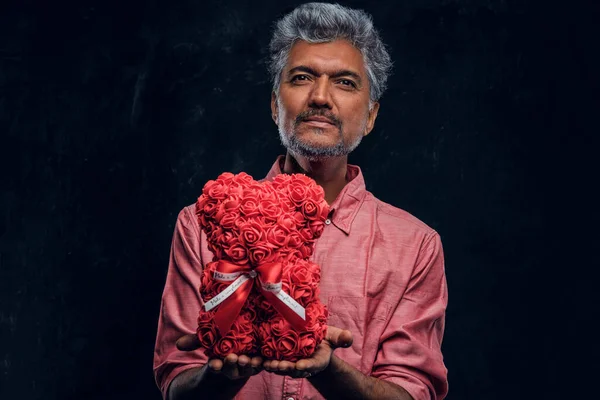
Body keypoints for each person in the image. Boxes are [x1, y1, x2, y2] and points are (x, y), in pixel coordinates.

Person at [153, 3, 448, 399]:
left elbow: (412, 392)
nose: (321, 97)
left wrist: (327, 370)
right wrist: (224, 372)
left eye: (344, 82)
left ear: (371, 116)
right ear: (276, 104)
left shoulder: (415, 246)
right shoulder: (202, 224)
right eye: (302, 77)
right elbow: (176, 384)